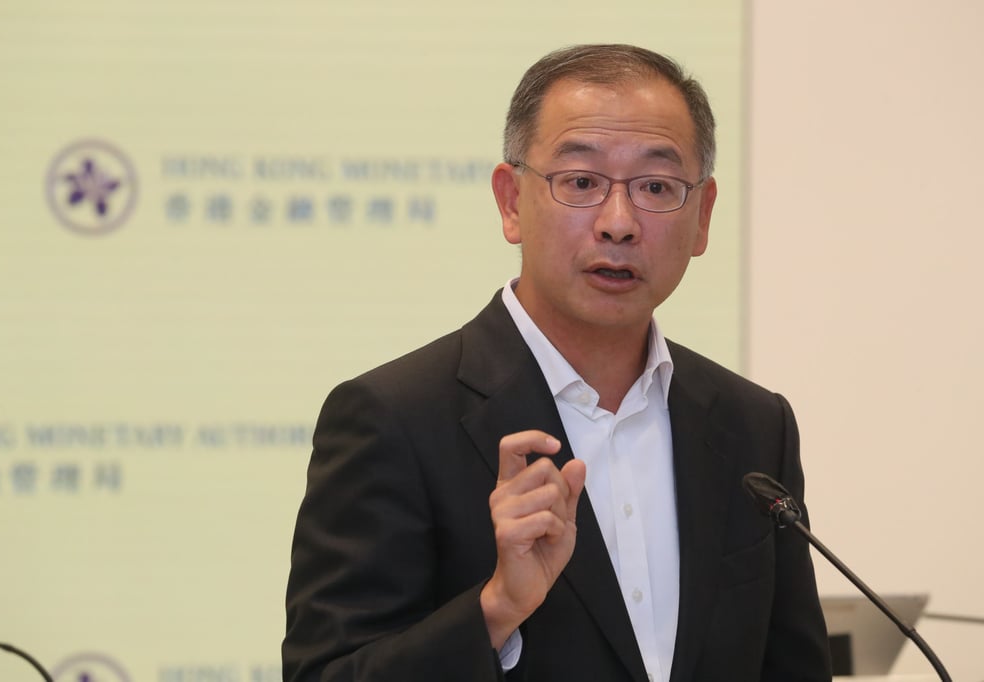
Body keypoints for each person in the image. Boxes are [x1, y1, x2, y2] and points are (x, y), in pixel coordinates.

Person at [282, 44, 831, 681]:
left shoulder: (753, 426)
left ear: (702, 216)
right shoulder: (395, 418)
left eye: (656, 186)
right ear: (511, 201)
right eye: (581, 183)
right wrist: (495, 610)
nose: (619, 223)